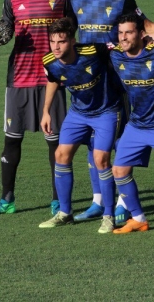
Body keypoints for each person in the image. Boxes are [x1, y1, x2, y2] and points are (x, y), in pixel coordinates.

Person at [0, 0, 74, 217]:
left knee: (55, 142)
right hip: (18, 78)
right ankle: (6, 199)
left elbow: (75, 33)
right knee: (12, 140)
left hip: (52, 80)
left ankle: (58, 201)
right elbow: (1, 31)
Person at [70, 0, 154, 224]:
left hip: (118, 80)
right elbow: (61, 31)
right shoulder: (74, 0)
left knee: (120, 139)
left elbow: (145, 27)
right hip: (87, 82)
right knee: (92, 141)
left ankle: (123, 200)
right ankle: (98, 200)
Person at [38, 17, 121, 230]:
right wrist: (46, 111)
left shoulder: (94, 51)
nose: (56, 47)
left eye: (62, 42)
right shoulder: (49, 61)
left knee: (100, 159)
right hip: (78, 113)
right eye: (53, 41)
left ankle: (109, 215)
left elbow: (121, 49)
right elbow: (53, 81)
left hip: (105, 112)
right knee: (60, 155)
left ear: (72, 41)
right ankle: (65, 212)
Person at [108, 14, 154, 237]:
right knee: (119, 171)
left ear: (142, 34)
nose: (123, 37)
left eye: (129, 32)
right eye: (121, 33)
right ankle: (138, 218)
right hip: (137, 125)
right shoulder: (115, 57)